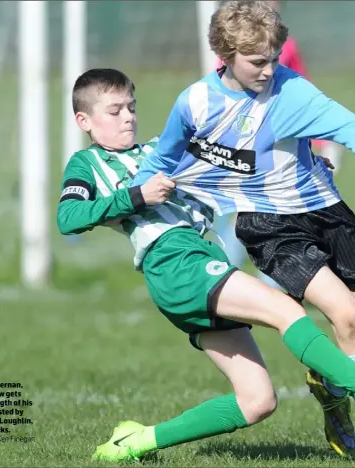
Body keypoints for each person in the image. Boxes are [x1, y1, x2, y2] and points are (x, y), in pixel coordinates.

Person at [57, 67, 355, 463]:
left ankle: (135, 442)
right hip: (175, 265)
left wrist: (301, 169)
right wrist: (137, 196)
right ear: (84, 120)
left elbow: (238, 158)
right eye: (114, 111)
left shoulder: (160, 150)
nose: (128, 116)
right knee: (288, 310)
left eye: (131, 107)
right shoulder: (87, 163)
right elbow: (68, 218)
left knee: (257, 401)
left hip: (200, 261)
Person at [132, 1, 355, 458]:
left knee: (352, 320)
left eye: (275, 58)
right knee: (345, 311)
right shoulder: (195, 102)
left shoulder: (293, 93)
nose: (270, 70)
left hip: (327, 211)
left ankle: (332, 390)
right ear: (225, 55)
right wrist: (135, 202)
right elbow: (163, 159)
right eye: (258, 62)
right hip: (270, 226)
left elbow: (349, 127)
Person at [213, 0, 341, 289]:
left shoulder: (288, 46)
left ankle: (274, 281)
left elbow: (306, 95)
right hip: (245, 141)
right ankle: (223, 272)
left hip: (284, 144)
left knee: (283, 210)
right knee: (241, 206)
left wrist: (323, 141)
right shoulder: (234, 47)